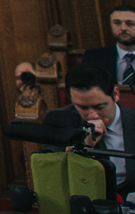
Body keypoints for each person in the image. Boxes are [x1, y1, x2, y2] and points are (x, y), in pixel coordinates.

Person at [47, 62, 135, 192]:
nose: (93, 115)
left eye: (100, 107)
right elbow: (54, 178)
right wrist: (85, 145)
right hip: (84, 200)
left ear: (115, 94)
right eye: (82, 107)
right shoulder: (59, 122)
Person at [17, 4, 135, 87]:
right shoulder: (95, 57)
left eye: (130, 23)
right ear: (110, 24)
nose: (123, 28)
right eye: (117, 23)